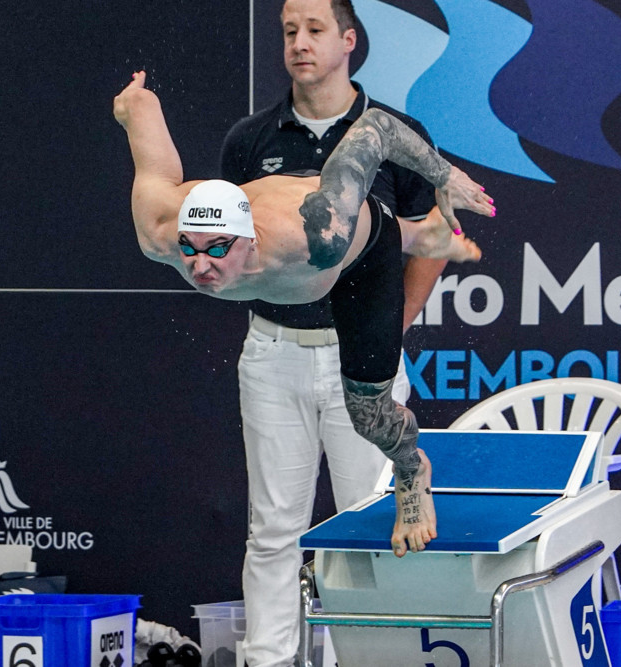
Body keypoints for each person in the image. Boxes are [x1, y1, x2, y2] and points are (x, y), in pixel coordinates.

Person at [112, 55, 492, 590]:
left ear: (247, 240)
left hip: (360, 253)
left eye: (218, 250)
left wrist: (445, 176)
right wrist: (137, 106)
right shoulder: (159, 232)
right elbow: (155, 165)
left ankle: (412, 469)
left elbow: (378, 129)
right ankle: (423, 235)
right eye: (190, 250)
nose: (200, 268)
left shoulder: (317, 233)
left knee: (370, 415)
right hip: (291, 280)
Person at [216, 1, 489, 664]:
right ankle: (268, 658)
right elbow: (229, 247)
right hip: (274, 352)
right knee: (274, 528)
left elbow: (433, 240)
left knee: (369, 525)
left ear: (349, 40)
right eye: (288, 32)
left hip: (360, 362)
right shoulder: (248, 143)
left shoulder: (396, 133)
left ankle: (373, 656)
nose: (299, 44)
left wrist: (386, 326)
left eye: (314, 30)